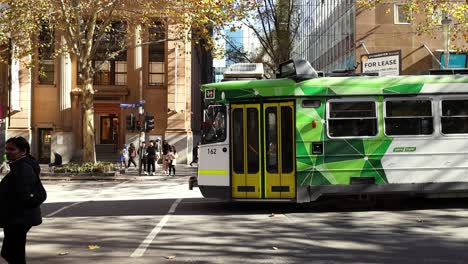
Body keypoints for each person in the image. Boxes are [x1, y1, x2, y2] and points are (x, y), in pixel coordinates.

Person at [0, 136, 43, 263]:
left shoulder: (23, 168)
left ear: (23, 151)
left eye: (12, 149)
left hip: (18, 218)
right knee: (11, 252)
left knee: (13, 254)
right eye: (6, 149)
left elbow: (23, 195)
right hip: (17, 218)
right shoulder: (19, 165)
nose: (7, 152)